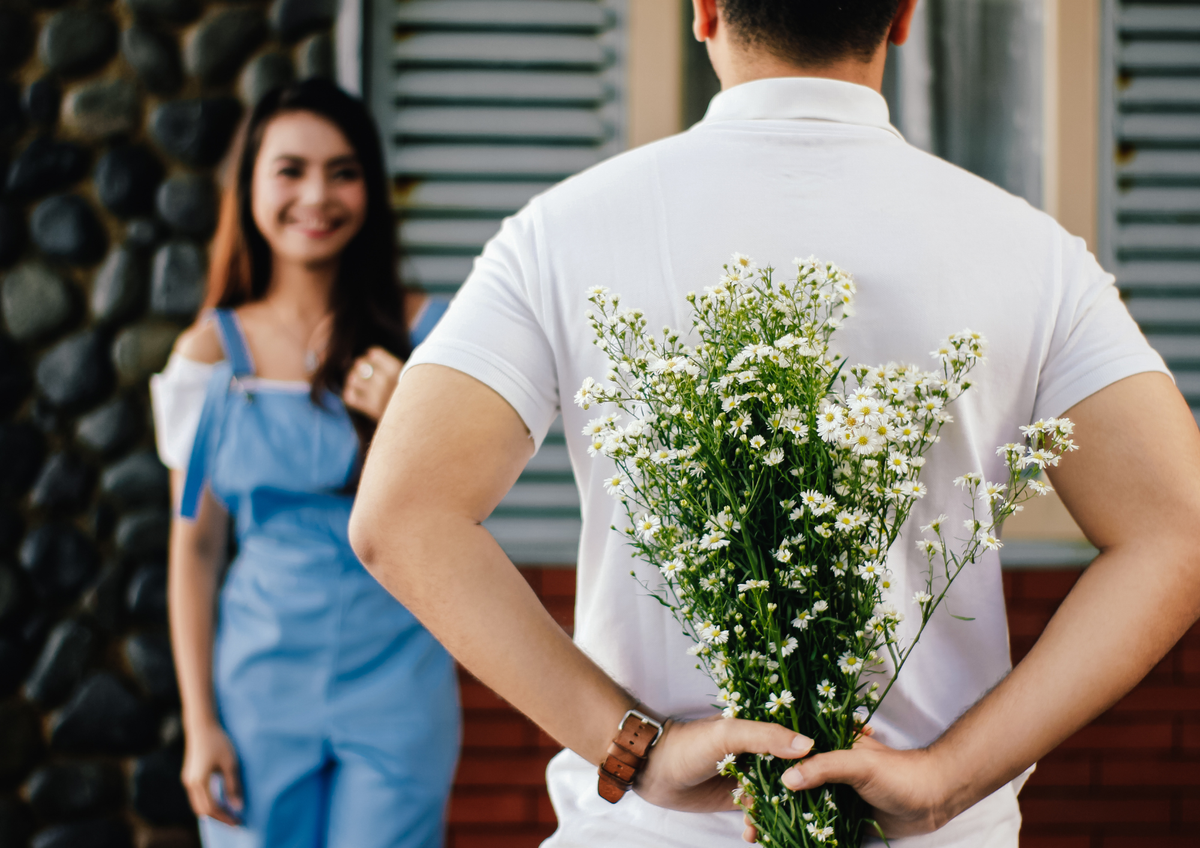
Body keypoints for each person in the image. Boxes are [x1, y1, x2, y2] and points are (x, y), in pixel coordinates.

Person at [347, 1, 1200, 846]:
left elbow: (401, 516)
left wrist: (636, 752)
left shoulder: (561, 233)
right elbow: (1181, 532)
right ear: (903, 17)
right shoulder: (1034, 252)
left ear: (704, 9)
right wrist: (946, 780)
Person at [151, 79, 458, 848]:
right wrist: (200, 724)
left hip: (400, 678)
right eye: (290, 169)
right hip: (258, 686)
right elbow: (194, 547)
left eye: (344, 171)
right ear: (250, 184)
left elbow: (468, 517)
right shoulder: (209, 354)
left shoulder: (430, 336)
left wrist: (405, 424)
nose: (316, 195)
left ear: (371, 189)